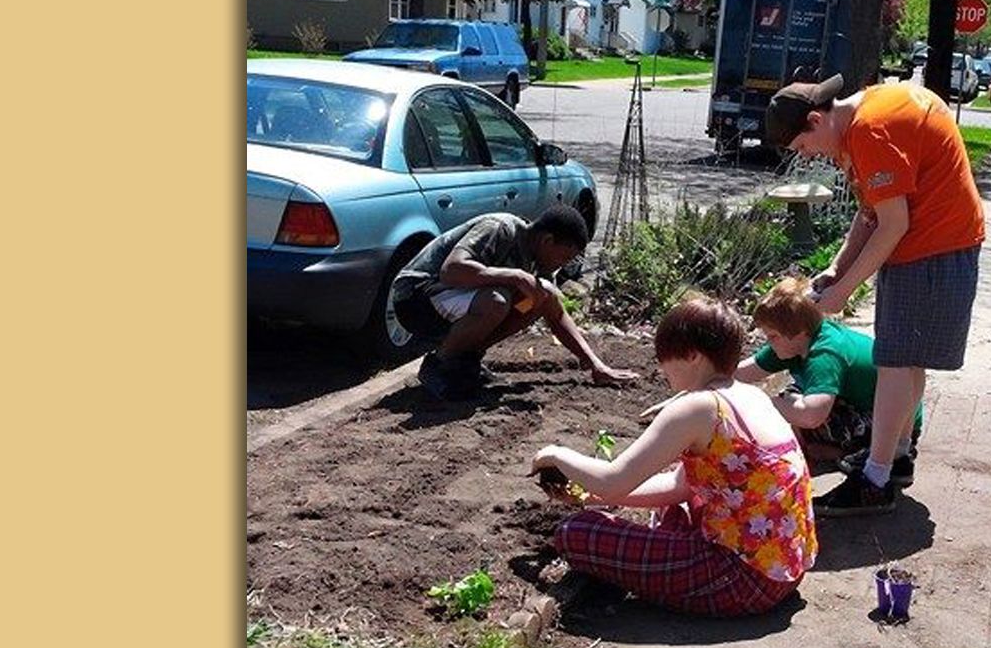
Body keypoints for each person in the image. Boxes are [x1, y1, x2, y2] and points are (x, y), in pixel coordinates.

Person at [763, 74, 985, 515]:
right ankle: (896, 456)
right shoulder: (864, 117)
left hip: (931, 247)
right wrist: (838, 267)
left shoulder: (870, 131)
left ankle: (876, 480)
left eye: (803, 146)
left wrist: (845, 290)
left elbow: (893, 224)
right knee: (908, 359)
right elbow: (871, 212)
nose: (807, 156)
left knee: (895, 361)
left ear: (816, 120)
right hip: (937, 244)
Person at [534, 295, 816, 617]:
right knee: (675, 507)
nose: (661, 368)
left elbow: (612, 481)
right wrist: (589, 496)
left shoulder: (696, 407)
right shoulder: (751, 394)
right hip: (784, 569)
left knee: (574, 532)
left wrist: (556, 455)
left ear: (693, 356)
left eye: (664, 358)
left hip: (740, 581)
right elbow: (679, 487)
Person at [390, 207, 637, 398]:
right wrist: (515, 276)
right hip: (414, 297)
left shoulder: (536, 260)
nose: (561, 265)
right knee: (496, 300)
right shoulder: (500, 228)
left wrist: (595, 365)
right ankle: (439, 366)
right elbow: (451, 271)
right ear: (547, 241)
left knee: (540, 296)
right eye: (563, 257)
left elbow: (556, 313)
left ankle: (466, 360)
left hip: (449, 302)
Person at [736, 275, 923, 487]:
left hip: (890, 424)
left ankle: (854, 452)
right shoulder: (794, 342)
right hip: (857, 405)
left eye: (772, 336)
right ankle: (826, 450)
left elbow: (811, 416)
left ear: (798, 333)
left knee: (790, 406)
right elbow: (738, 373)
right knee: (792, 399)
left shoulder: (824, 354)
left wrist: (764, 402)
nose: (769, 342)